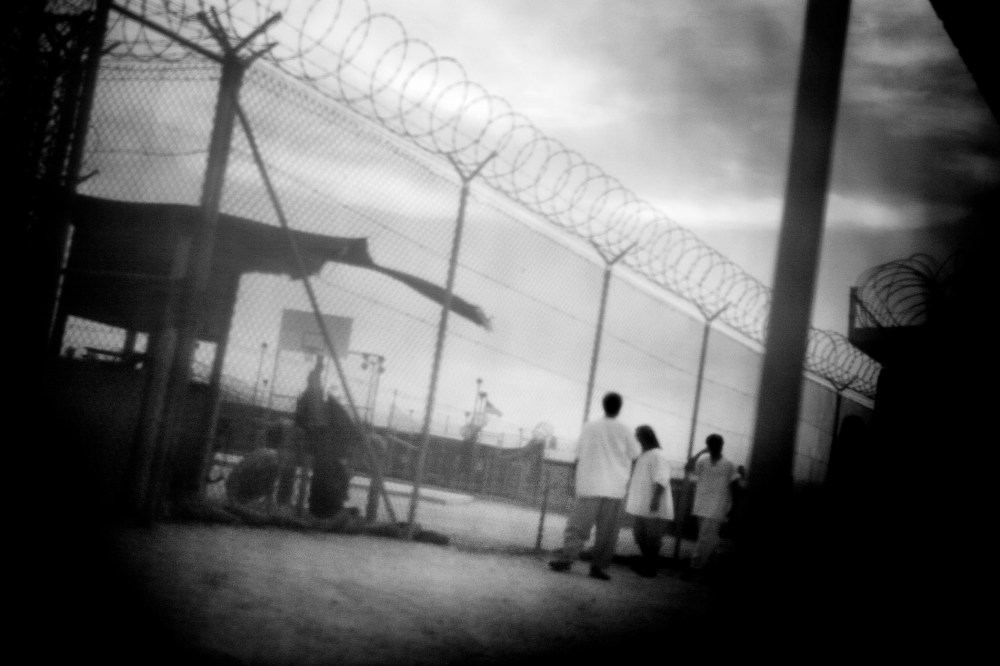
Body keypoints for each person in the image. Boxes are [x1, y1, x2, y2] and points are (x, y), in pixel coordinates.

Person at [549, 392, 641, 581]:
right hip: (614, 487)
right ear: (619, 408)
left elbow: (579, 453)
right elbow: (635, 453)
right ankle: (598, 567)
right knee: (608, 533)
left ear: (603, 405)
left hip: (590, 484)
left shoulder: (590, 427)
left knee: (577, 526)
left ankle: (567, 558)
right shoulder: (625, 430)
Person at [685, 433, 743, 572]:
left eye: (715, 445)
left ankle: (695, 567)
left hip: (718, 506)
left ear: (721, 446)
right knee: (708, 538)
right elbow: (688, 469)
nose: (712, 448)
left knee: (704, 537)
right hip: (701, 505)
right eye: (710, 446)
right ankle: (712, 567)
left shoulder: (729, 464)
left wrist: (734, 508)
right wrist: (700, 452)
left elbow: (736, 486)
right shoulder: (703, 461)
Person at [624, 425, 675, 578]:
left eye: (639, 436)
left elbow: (662, 479)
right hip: (640, 505)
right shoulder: (643, 454)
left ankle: (651, 568)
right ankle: (647, 564)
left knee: (652, 539)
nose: (637, 439)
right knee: (639, 536)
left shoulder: (658, 454)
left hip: (654, 505)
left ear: (646, 437)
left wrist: (655, 500)